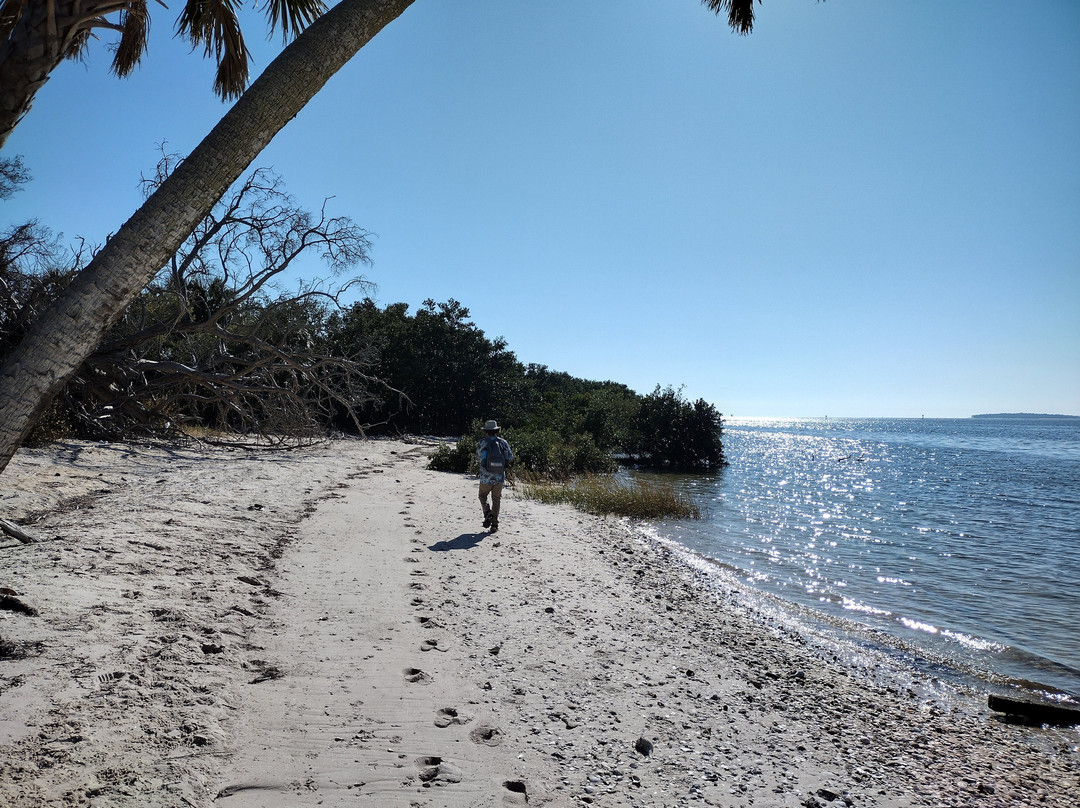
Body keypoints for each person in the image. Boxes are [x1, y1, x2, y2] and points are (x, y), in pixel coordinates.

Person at [477, 419, 513, 532]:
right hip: (499, 476)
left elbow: (478, 458)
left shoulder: (482, 442)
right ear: (497, 430)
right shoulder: (503, 442)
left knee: (482, 496)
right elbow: (510, 457)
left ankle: (487, 512)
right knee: (496, 499)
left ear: (486, 431)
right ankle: (494, 524)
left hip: (486, 476)